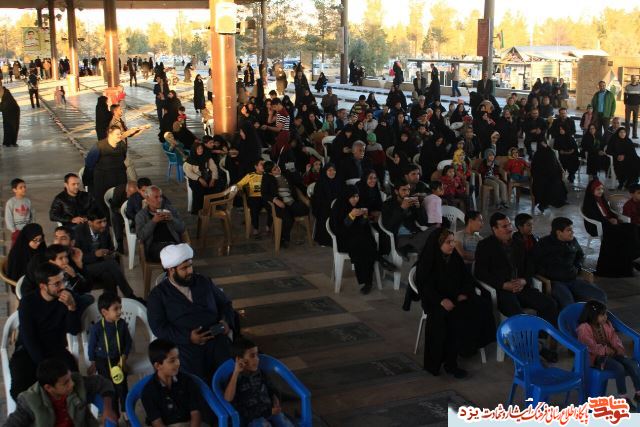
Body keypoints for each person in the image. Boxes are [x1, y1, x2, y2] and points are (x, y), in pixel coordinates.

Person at [474, 212, 559, 362]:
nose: (509, 229)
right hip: (502, 290)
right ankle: (536, 349)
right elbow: (480, 273)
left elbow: (530, 266)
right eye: (504, 226)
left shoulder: (518, 243)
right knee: (518, 314)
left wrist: (524, 280)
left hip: (521, 286)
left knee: (549, 304)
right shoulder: (485, 246)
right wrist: (503, 284)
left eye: (509, 225)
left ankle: (540, 340)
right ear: (494, 229)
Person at [148, 244, 236, 382]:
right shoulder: (158, 295)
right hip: (185, 346)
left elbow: (225, 304)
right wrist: (188, 337)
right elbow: (158, 327)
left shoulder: (203, 281)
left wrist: (226, 321)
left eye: (190, 266)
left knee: (230, 372)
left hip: (216, 338)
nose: (190, 271)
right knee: (196, 381)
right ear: (171, 270)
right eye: (184, 268)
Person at [415, 228, 495, 377]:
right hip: (436, 302)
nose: (452, 245)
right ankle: (449, 363)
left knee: (480, 306)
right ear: (438, 244)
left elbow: (466, 278)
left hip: (456, 297)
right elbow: (425, 287)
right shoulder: (428, 261)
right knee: (450, 318)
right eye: (448, 242)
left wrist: (463, 293)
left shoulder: (454, 258)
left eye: (453, 241)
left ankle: (467, 349)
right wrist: (441, 300)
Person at [9, 263, 81, 399]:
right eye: (57, 284)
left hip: (56, 350)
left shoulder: (67, 297)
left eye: (63, 280)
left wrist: (72, 307)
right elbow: (29, 339)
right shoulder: (28, 303)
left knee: (74, 385)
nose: (63, 286)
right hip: (28, 351)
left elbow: (74, 330)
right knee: (20, 391)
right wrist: (45, 368)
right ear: (43, 286)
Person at [5, 358, 117, 427]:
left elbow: (103, 383)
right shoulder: (30, 401)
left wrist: (107, 408)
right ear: (49, 388)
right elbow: (13, 423)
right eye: (65, 383)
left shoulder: (78, 383)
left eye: (70, 378)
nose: (72, 384)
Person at [535, 217, 607, 311]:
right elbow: (535, 262)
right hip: (555, 282)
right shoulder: (544, 243)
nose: (572, 232)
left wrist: (577, 267)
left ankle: (595, 318)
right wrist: (546, 276)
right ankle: (568, 320)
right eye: (569, 230)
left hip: (573, 279)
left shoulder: (573, 241)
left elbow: (580, 255)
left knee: (600, 295)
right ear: (559, 232)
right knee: (568, 303)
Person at [577, 300, 640, 405]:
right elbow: (589, 346)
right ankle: (623, 397)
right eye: (602, 315)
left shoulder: (606, 325)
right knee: (619, 367)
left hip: (612, 354)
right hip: (597, 358)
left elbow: (614, 338)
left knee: (632, 364)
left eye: (605, 314)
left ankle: (638, 393)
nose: (605, 317)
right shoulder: (584, 328)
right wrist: (605, 350)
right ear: (593, 315)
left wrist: (619, 348)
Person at [224, 337, 295, 427]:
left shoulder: (260, 373)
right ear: (239, 359)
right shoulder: (235, 378)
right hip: (252, 418)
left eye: (257, 355)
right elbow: (228, 398)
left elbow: (272, 388)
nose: (257, 359)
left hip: (270, 411)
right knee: (262, 424)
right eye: (252, 356)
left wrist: (275, 398)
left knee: (281, 420)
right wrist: (236, 373)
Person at [75, 207, 140, 300]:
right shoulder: (79, 232)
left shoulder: (104, 230)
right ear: (90, 223)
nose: (104, 225)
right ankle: (130, 295)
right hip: (84, 267)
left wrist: (110, 253)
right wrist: (95, 254)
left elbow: (110, 248)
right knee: (111, 264)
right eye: (99, 222)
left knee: (109, 275)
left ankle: (111, 301)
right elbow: (77, 259)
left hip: (102, 265)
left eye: (105, 221)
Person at [582, 179, 640, 277]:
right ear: (592, 190)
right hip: (597, 226)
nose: (600, 191)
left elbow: (609, 212)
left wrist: (614, 218)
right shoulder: (590, 203)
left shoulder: (601, 200)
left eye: (601, 189)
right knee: (625, 234)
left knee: (633, 227)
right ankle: (625, 263)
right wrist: (609, 221)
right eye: (598, 189)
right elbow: (595, 218)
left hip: (608, 224)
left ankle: (631, 258)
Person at [87, 292, 132, 418]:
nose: (120, 312)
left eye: (120, 308)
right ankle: (114, 415)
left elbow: (128, 342)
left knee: (122, 387)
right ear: (104, 312)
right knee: (109, 389)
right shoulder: (97, 328)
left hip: (118, 359)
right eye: (115, 309)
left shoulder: (122, 324)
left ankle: (126, 413)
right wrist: (93, 362)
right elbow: (91, 347)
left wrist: (124, 358)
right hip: (102, 361)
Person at [330, 185, 380, 295]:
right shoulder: (339, 206)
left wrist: (365, 217)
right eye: (352, 197)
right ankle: (377, 260)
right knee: (362, 245)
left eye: (357, 196)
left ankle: (368, 282)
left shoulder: (359, 204)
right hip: (344, 239)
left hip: (359, 237)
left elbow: (362, 226)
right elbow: (339, 229)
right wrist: (351, 216)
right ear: (346, 196)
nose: (355, 199)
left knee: (367, 242)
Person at [141, 338, 204, 426]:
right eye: (172, 361)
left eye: (178, 358)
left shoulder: (187, 381)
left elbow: (196, 412)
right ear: (158, 365)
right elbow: (157, 422)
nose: (178, 363)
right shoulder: (148, 392)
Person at [261, 161, 309, 248]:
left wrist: (293, 171)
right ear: (270, 172)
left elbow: (298, 181)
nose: (277, 169)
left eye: (277, 166)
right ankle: (283, 239)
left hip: (291, 200)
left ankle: (284, 232)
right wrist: (275, 200)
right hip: (279, 203)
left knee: (305, 209)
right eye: (274, 169)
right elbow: (264, 194)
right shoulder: (267, 178)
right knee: (288, 219)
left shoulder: (286, 173)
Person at [135, 185, 185, 262]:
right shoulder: (141, 215)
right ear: (147, 199)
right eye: (156, 197)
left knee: (185, 253)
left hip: (173, 244)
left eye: (160, 196)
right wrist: (153, 221)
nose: (160, 200)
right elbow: (141, 236)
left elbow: (182, 228)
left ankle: (177, 266)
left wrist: (172, 219)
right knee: (179, 257)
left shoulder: (171, 209)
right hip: (155, 247)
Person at [382, 178, 430, 256]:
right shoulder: (387, 204)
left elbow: (423, 222)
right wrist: (401, 208)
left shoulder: (411, 201)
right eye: (404, 190)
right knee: (427, 244)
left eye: (408, 190)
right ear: (396, 191)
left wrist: (419, 208)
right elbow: (388, 226)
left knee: (435, 231)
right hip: (399, 237)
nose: (407, 193)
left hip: (413, 233)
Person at [530, 140, 567, 213]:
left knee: (554, 184)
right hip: (543, 178)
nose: (543, 145)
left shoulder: (545, 153)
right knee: (551, 185)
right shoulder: (547, 152)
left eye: (544, 143)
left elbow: (556, 164)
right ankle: (545, 204)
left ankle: (544, 204)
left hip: (547, 178)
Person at [184, 142, 220, 214]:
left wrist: (213, 180)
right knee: (198, 188)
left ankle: (212, 207)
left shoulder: (207, 157)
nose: (200, 150)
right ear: (194, 150)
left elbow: (214, 168)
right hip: (195, 179)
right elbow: (188, 172)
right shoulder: (190, 160)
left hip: (207, 176)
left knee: (217, 185)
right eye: (198, 149)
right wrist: (200, 179)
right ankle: (199, 210)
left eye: (201, 148)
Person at [311, 163, 341, 246]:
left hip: (336, 204)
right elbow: (317, 199)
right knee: (325, 212)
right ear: (325, 171)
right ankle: (326, 240)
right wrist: (330, 204)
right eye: (329, 170)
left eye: (334, 170)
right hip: (323, 206)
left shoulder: (339, 181)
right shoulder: (320, 182)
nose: (332, 172)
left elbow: (342, 195)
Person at [5, 178, 34, 246]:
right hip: (17, 232)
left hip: (28, 231)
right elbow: (8, 218)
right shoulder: (11, 202)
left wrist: (31, 227)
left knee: (28, 249)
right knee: (17, 249)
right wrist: (14, 230)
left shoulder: (28, 201)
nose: (24, 189)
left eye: (24, 187)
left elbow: (31, 216)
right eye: (21, 187)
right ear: (14, 190)